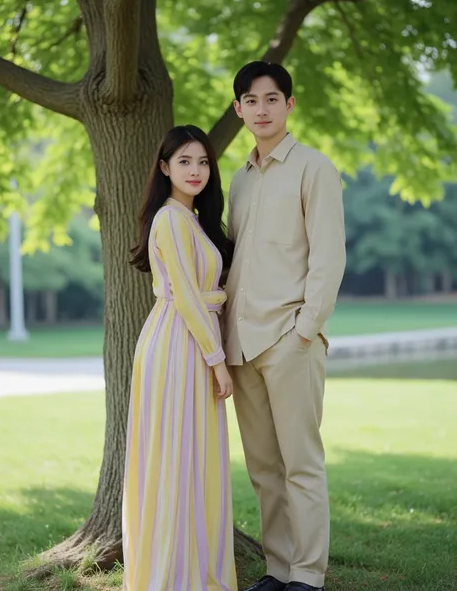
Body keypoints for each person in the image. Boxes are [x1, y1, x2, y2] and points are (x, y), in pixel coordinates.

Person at [224, 61, 346, 591]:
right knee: (264, 470)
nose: (261, 109)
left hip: (289, 340)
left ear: (289, 105)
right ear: (238, 109)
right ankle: (278, 570)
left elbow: (328, 257)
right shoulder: (239, 179)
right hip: (241, 344)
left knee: (302, 465)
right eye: (251, 100)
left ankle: (309, 575)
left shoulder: (314, 168)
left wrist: (305, 329)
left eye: (272, 99)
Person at [123, 125, 237, 591]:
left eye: (204, 162)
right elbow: (188, 298)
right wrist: (218, 360)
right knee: (177, 457)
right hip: (178, 344)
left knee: (195, 457)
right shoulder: (170, 219)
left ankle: (194, 567)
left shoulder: (192, 220)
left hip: (191, 340)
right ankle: (172, 574)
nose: (196, 170)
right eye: (185, 161)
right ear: (164, 167)